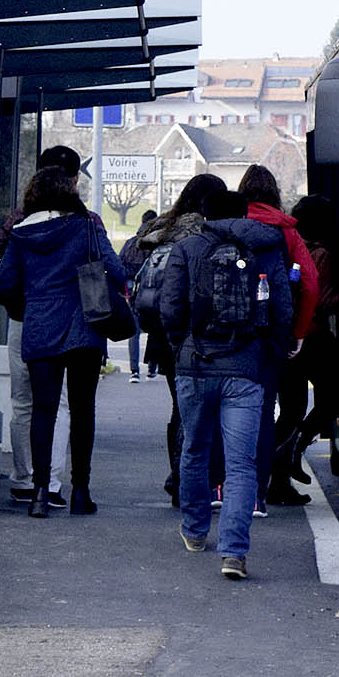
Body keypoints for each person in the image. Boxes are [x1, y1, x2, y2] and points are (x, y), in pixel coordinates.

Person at [158, 184, 295, 580]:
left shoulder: (188, 248)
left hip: (196, 366)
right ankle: (233, 553)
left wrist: (181, 346)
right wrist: (267, 354)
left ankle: (195, 531)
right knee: (241, 464)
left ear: (205, 213)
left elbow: (170, 308)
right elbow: (282, 309)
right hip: (246, 369)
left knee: (195, 450)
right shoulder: (267, 246)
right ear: (246, 213)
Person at [0, 165, 127, 518]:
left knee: (42, 410)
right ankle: (80, 492)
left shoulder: (21, 234)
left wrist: (33, 302)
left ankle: (39, 493)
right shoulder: (86, 227)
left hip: (39, 326)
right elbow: (118, 270)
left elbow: (3, 284)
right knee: (83, 410)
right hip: (85, 326)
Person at [0, 143, 90, 507]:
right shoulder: (86, 222)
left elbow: (2, 277)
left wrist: (26, 306)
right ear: (74, 180)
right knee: (62, 405)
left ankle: (24, 479)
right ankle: (50, 482)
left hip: (26, 320)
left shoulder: (16, 224)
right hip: (73, 324)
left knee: (24, 402)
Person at [125, 174, 225, 504]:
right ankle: (187, 477)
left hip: (160, 332)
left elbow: (130, 259)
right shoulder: (207, 230)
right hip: (197, 330)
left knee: (177, 407)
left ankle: (176, 474)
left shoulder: (163, 226)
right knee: (197, 410)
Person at [236, 167, 317, 509]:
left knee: (238, 410)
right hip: (277, 334)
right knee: (281, 408)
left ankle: (231, 485)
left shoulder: (231, 226)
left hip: (234, 335)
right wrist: (298, 333)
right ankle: (270, 485)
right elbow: (310, 282)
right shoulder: (286, 231)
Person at [289, 193, 339, 486]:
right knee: (336, 397)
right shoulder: (322, 254)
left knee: (292, 406)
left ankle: (285, 461)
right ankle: (297, 446)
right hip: (316, 336)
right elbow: (323, 301)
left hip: (292, 336)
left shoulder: (293, 248)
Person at [118, 208, 162, 383]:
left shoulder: (130, 242)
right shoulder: (156, 244)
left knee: (134, 332)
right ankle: (152, 368)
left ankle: (134, 371)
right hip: (153, 291)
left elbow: (119, 265)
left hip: (132, 291)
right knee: (155, 331)